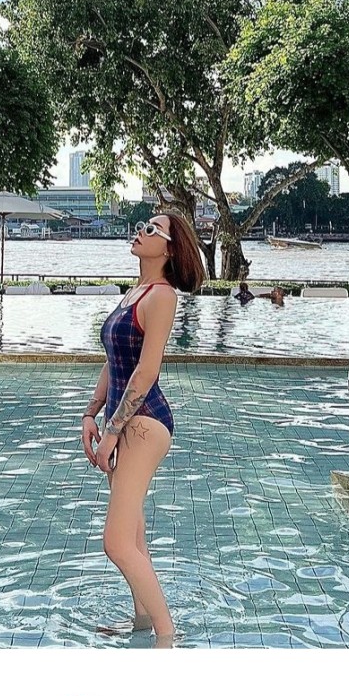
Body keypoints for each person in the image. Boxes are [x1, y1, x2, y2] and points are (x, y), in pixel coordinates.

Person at [80, 213, 206, 645]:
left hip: (144, 424)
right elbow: (115, 362)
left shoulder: (162, 296)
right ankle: (142, 623)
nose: (141, 231)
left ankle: (166, 638)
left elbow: (147, 371)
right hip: (121, 421)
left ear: (169, 248)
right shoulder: (134, 292)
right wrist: (91, 414)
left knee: (116, 543)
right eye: (142, 225)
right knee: (133, 538)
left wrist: (113, 431)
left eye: (152, 229)